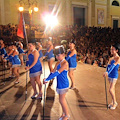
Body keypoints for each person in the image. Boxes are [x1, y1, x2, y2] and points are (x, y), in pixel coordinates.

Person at [43, 45, 70, 120]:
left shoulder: (65, 63)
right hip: (59, 83)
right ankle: (64, 113)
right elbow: (52, 72)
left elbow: (57, 73)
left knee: (62, 100)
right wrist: (47, 78)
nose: (57, 57)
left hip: (64, 83)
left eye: (58, 55)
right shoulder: (58, 63)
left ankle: (67, 115)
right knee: (61, 100)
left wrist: (47, 80)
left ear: (63, 55)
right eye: (56, 55)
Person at [103, 43, 120, 110]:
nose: (111, 50)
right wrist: (106, 71)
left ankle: (115, 102)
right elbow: (108, 67)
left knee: (110, 90)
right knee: (112, 90)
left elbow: (113, 66)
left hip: (114, 76)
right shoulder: (111, 58)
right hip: (109, 75)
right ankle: (113, 102)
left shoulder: (118, 58)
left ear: (117, 50)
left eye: (113, 49)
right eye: (111, 49)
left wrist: (107, 72)